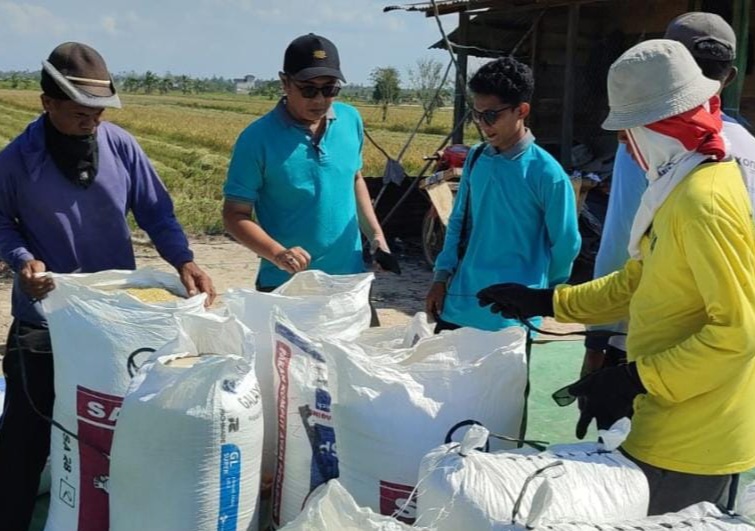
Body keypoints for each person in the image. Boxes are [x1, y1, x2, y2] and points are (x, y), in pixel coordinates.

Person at [478, 40, 755, 514]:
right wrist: (549, 303)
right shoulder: (680, 181)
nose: (624, 144)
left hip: (694, 443)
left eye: (629, 132)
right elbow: (638, 282)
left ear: (659, 127)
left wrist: (636, 379)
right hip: (665, 421)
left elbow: (737, 332)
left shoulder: (701, 202)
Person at [0, 42, 216, 530]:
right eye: (80, 111)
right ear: (46, 103)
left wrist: (184, 259)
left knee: (113, 434)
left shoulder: (121, 146)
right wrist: (23, 261)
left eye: (98, 111)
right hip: (45, 323)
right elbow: (1, 223)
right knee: (24, 439)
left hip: (113, 325)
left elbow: (157, 211)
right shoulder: (16, 161)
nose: (92, 121)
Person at [582, 11, 755, 376]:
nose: (625, 140)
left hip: (655, 351)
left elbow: (620, 249)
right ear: (731, 77)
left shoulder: (653, 143)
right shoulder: (748, 148)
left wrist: (598, 345)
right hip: (727, 361)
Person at [222, 33, 390, 324]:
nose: (321, 99)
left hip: (348, 284)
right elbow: (234, 215)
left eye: (330, 89)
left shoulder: (351, 121)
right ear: (284, 83)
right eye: (309, 90)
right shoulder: (257, 139)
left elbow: (354, 179)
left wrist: (376, 235)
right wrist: (278, 254)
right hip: (286, 285)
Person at [425, 56, 580, 333]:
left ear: (521, 110)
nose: (483, 124)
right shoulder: (476, 158)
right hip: (461, 303)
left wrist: (540, 293)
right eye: (477, 114)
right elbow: (457, 222)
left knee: (506, 379)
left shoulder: (547, 173)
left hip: (511, 314)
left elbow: (566, 243)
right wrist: (441, 277)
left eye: (491, 115)